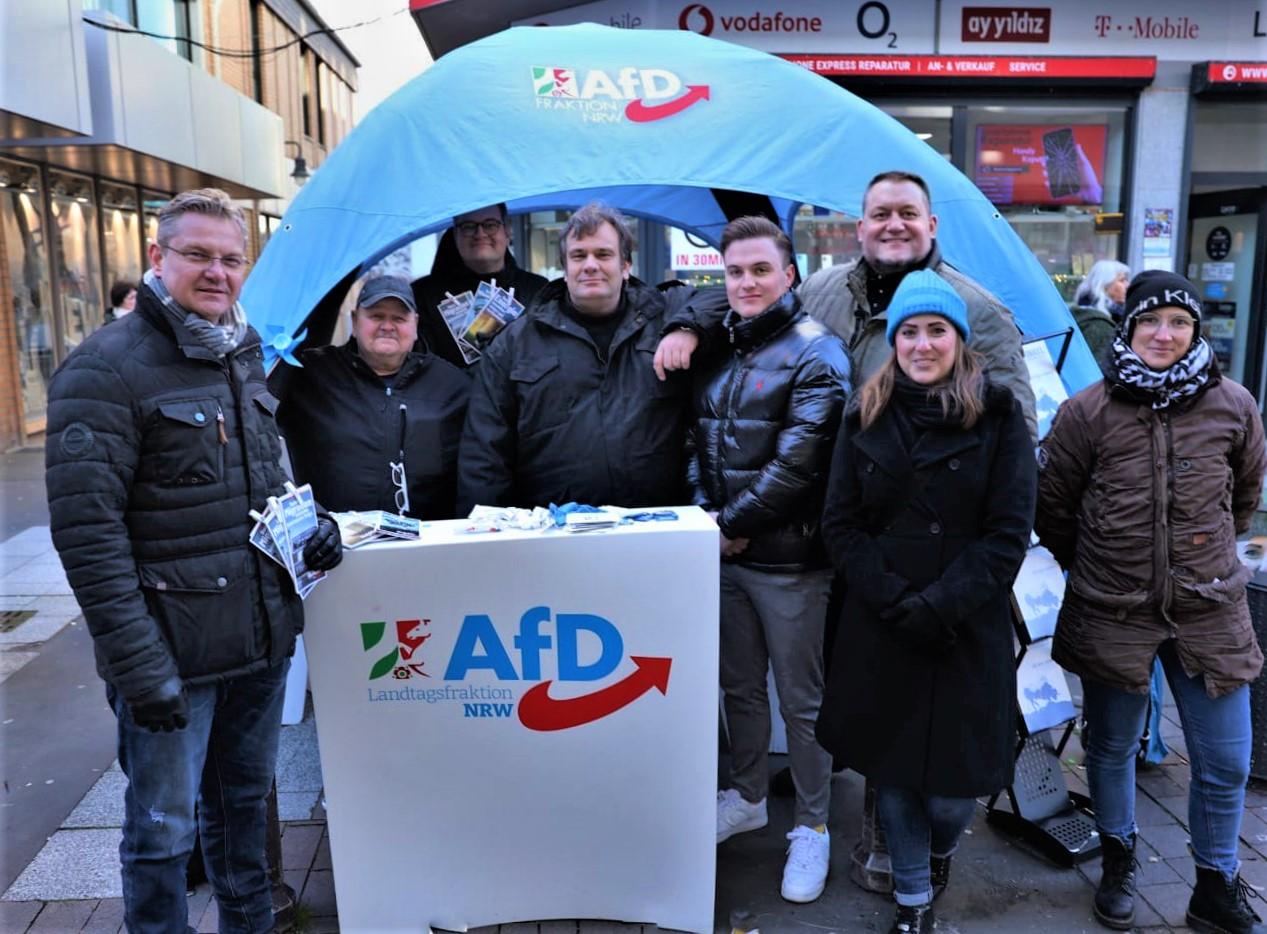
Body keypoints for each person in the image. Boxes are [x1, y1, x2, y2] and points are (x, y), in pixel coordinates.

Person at [44, 188, 343, 934]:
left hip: (256, 641)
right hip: (171, 653)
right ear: (157, 257)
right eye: (198, 255)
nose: (216, 272)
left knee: (243, 817)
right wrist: (139, 668)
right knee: (161, 835)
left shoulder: (239, 349)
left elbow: (263, 481)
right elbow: (88, 535)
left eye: (230, 259)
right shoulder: (104, 370)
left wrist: (317, 525)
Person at [1035, 270, 1267, 934]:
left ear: (1195, 332)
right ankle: (1117, 858)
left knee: (1224, 760)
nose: (1163, 334)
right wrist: (1098, 565)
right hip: (1113, 610)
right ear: (1128, 327)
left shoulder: (1233, 404)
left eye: (1179, 323)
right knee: (1108, 747)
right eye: (1149, 321)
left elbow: (1242, 499)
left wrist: (1199, 553)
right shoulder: (1085, 412)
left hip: (1209, 609)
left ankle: (1214, 887)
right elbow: (1052, 509)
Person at [816, 270, 1036, 934]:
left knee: (950, 792)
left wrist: (939, 604)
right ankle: (913, 903)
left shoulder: (998, 415)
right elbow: (840, 524)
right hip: (880, 622)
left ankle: (939, 854)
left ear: (958, 340)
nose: (919, 343)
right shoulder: (862, 411)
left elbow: (1007, 533)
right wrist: (893, 599)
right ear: (892, 340)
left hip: (964, 625)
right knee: (894, 776)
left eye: (935, 330)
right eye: (907, 331)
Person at [691, 217, 850, 904]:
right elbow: (696, 443)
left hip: (792, 564)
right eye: (734, 271)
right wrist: (708, 520)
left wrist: (726, 525)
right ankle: (749, 795)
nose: (747, 283)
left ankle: (812, 826)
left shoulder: (819, 352)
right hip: (726, 556)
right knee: (739, 689)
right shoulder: (723, 347)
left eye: (759, 269)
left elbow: (800, 463)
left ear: (789, 274)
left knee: (801, 700)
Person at [458, 202, 698, 512]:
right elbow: (484, 454)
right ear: (565, 268)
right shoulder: (514, 345)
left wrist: (689, 327)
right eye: (578, 255)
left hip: (655, 527)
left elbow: (726, 298)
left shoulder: (666, 319)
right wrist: (485, 539)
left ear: (626, 266)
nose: (590, 265)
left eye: (603, 254)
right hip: (552, 535)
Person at [797, 170, 1037, 440]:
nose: (895, 225)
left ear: (932, 225)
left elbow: (1018, 433)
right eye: (881, 215)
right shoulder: (814, 293)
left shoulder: (980, 311)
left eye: (909, 214)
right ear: (861, 229)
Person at [273, 275, 469, 519]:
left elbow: (478, 465)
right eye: (376, 316)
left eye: (399, 318)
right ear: (355, 322)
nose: (387, 326)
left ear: (415, 325)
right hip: (336, 545)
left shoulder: (451, 384)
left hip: (428, 543)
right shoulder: (310, 374)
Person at [412, 203, 548, 368]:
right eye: (469, 226)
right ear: (455, 234)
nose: (480, 234)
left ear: (508, 231)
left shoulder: (538, 290)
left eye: (490, 225)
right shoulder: (422, 295)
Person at [1070, 259, 1130, 373]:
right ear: (1104, 285)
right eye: (1122, 280)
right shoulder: (1098, 324)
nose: (1127, 285)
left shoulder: (1090, 314)